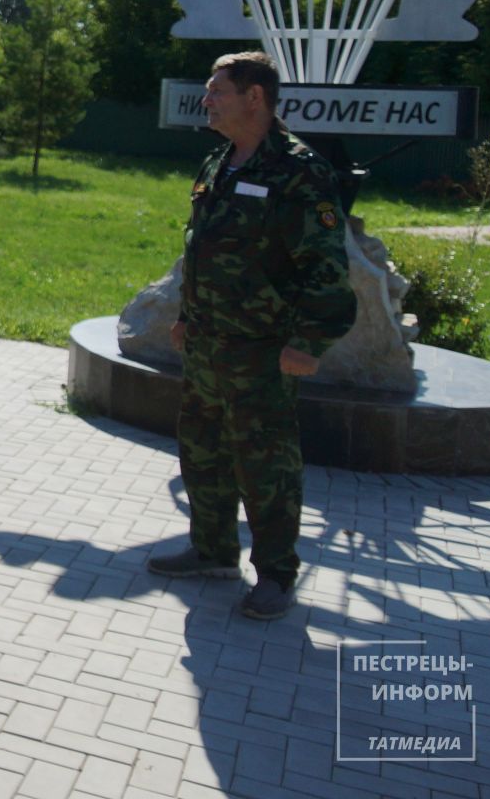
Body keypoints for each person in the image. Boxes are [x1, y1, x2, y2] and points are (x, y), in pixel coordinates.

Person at [149, 52, 355, 621]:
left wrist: (309, 342)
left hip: (264, 350)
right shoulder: (221, 160)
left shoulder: (298, 170)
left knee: (266, 465)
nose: (207, 99)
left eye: (217, 90)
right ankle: (212, 549)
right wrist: (188, 316)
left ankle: (276, 575)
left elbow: (326, 266)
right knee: (203, 452)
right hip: (210, 343)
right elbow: (205, 248)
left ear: (254, 97)